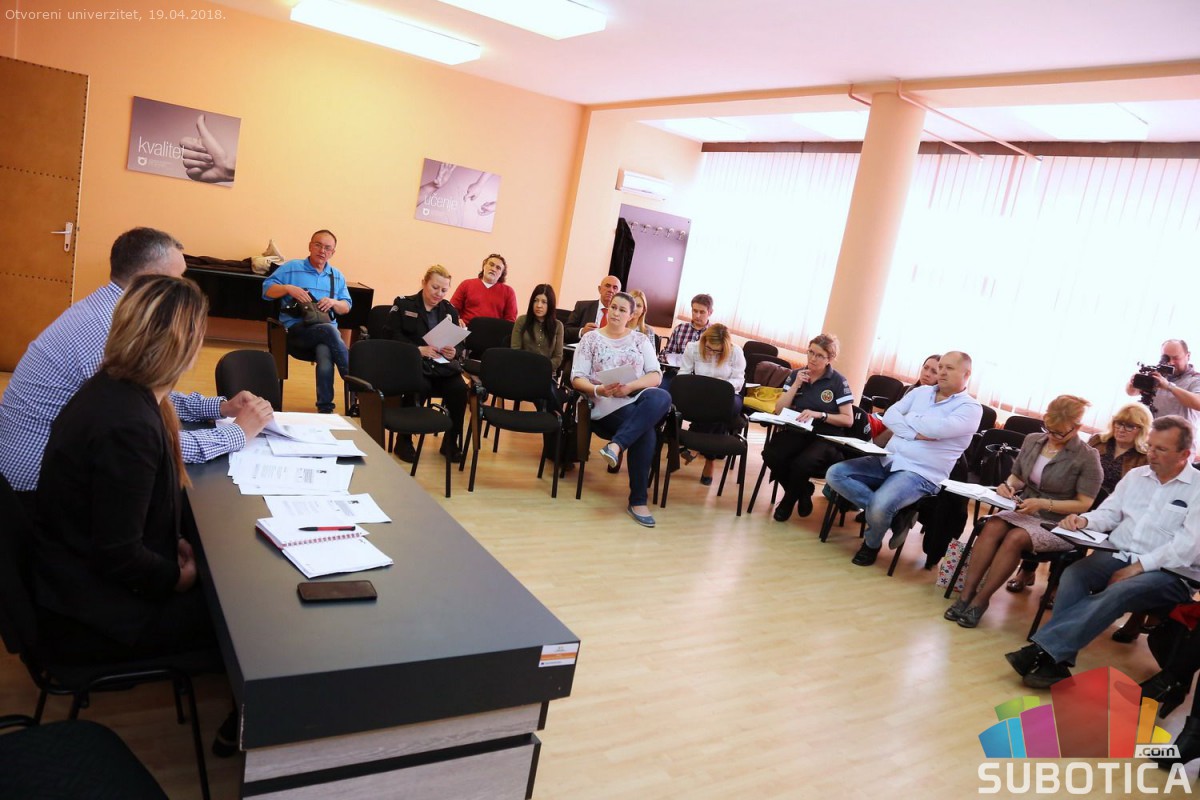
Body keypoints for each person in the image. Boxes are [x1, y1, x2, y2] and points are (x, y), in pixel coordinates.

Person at [0, 227, 271, 506]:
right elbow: (142, 437)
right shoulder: (107, 330)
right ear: (149, 280)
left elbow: (142, 397)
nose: (183, 286)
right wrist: (236, 433)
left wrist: (220, 408)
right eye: (178, 277)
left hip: (47, 472)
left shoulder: (108, 310)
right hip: (34, 491)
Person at [32, 274, 219, 664]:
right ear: (187, 343)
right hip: (93, 612)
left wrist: (169, 541)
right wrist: (177, 577)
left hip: (78, 580)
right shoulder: (129, 425)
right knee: (242, 619)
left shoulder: (116, 388)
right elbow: (118, 554)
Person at [1004, 416, 1200, 689]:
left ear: (1185, 455)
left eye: (1161, 449)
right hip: (1119, 554)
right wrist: (1083, 520)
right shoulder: (1137, 476)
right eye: (1150, 446)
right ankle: (1055, 662)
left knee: (1121, 590)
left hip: (1169, 572)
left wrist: (1138, 567)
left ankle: (1041, 650)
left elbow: (1187, 547)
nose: (1151, 454)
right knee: (1075, 575)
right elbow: (1109, 513)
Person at [943, 395, 1103, 629]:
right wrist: (1008, 486)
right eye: (1049, 429)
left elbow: (1084, 504)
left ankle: (981, 601)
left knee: (1015, 538)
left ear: (1077, 427)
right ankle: (966, 594)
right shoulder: (1033, 440)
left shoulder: (1087, 456)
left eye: (1060, 433)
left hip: (1057, 523)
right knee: (992, 525)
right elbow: (1017, 476)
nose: (1052, 436)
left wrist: (1043, 504)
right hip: (1024, 510)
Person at [825, 351, 983, 567]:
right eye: (941, 367)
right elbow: (890, 416)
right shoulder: (921, 392)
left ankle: (871, 545)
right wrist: (917, 432)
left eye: (949, 368)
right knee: (835, 474)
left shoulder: (971, 408)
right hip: (888, 459)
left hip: (920, 472)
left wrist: (909, 419)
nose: (942, 372)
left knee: (881, 505)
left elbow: (938, 429)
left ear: (967, 374)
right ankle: (896, 516)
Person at [1004, 403, 1151, 604]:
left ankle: (1057, 584)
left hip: (1112, 510)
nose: (1121, 429)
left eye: (1129, 426)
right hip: (1078, 498)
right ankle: (1027, 570)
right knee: (1060, 519)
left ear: (1141, 429)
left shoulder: (1144, 457)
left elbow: (1136, 492)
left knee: (1079, 531)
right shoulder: (1098, 441)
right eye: (1118, 423)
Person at [570, 291, 671, 528]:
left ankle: (616, 446)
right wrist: (599, 390)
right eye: (613, 307)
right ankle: (638, 501)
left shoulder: (640, 340)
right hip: (603, 405)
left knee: (662, 396)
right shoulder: (591, 339)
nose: (616, 313)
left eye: (622, 310)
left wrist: (630, 387)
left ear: (631, 315)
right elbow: (577, 378)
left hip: (634, 399)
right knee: (646, 433)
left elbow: (655, 375)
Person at [761, 334, 854, 519]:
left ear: (829, 359)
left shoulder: (838, 381)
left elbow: (848, 419)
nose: (812, 358)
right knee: (771, 453)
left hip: (825, 436)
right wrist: (795, 385)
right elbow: (779, 410)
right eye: (810, 352)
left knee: (802, 463)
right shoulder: (796, 374)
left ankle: (787, 503)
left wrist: (821, 414)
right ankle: (804, 491)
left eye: (819, 355)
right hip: (799, 430)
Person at [383, 265, 468, 462]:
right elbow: (390, 335)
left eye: (444, 290)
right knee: (418, 386)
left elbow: (460, 343)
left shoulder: (449, 310)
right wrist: (417, 350)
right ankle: (404, 440)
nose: (439, 293)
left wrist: (454, 351)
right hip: (415, 365)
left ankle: (450, 442)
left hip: (442, 367)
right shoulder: (404, 304)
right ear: (424, 283)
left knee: (459, 389)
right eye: (435, 287)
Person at [262, 229, 352, 414]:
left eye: (327, 248)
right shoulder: (291, 267)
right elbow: (266, 291)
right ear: (310, 246)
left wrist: (334, 302)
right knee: (330, 331)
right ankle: (355, 382)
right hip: (296, 333)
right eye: (318, 245)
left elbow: (346, 306)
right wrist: (288, 288)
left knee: (325, 351)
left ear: (333, 252)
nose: (322, 251)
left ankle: (325, 409)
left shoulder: (337, 276)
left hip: (325, 336)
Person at [677, 323, 747, 485]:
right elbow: (683, 374)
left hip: (728, 396)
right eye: (709, 348)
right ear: (704, 341)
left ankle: (697, 447)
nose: (712, 353)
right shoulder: (693, 348)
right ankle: (710, 459)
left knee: (722, 408)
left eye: (718, 351)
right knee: (716, 412)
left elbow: (739, 380)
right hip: (701, 394)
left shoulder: (736, 352)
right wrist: (697, 388)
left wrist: (720, 389)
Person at [1126, 339, 1200, 435]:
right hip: (1153, 436)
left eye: (1176, 358)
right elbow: (1131, 392)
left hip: (1180, 439)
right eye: (1166, 358)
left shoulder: (1196, 379)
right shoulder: (1159, 374)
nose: (1171, 362)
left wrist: (1169, 386)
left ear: (1188, 356)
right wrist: (1133, 382)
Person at [449, 253, 518, 325]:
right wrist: (457, 320)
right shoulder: (466, 284)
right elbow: (452, 309)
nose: (493, 269)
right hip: (466, 328)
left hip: (493, 331)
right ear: (484, 266)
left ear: (501, 274)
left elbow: (510, 321)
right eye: (491, 264)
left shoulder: (509, 292)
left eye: (498, 268)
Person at [511, 283, 565, 374]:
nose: (539, 305)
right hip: (522, 370)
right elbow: (515, 350)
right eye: (535, 301)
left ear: (550, 304)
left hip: (545, 372)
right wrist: (529, 368)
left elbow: (558, 357)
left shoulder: (558, 326)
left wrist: (541, 368)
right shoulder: (521, 321)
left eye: (544, 302)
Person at [565, 275, 622, 344]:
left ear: (619, 293)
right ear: (599, 289)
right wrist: (582, 331)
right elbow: (565, 331)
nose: (611, 290)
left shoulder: (621, 314)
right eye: (607, 286)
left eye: (615, 288)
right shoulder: (582, 307)